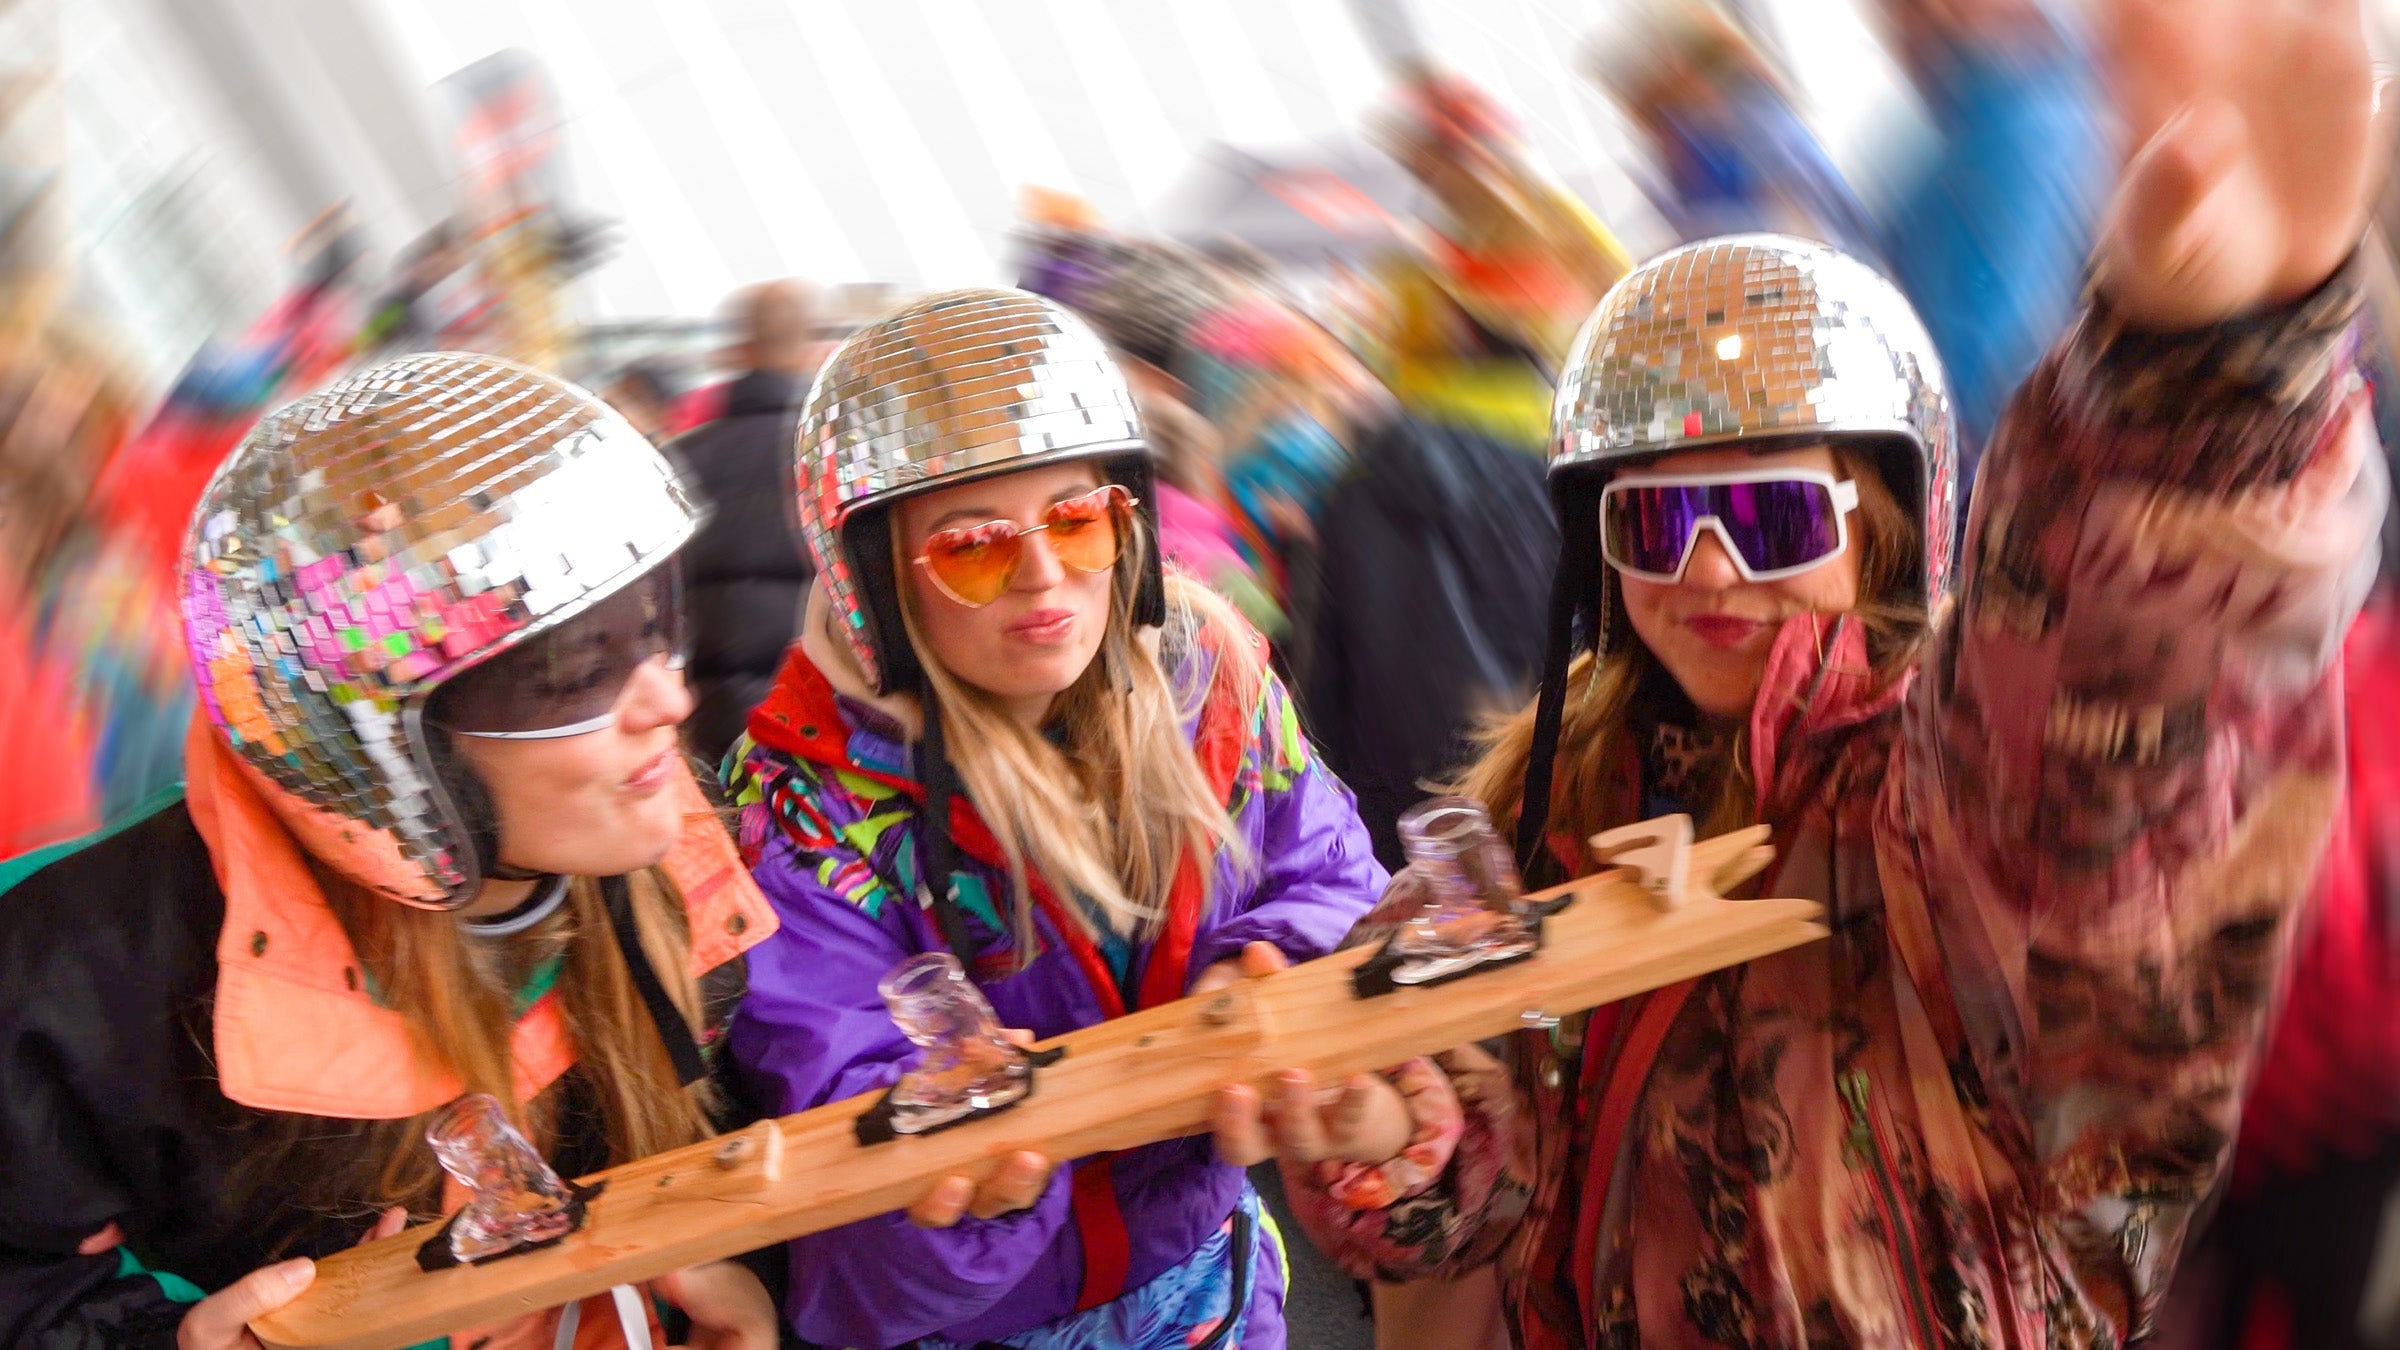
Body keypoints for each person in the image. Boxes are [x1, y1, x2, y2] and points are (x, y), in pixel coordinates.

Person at [1206, 0, 2390, 1339]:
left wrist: (2195, 382)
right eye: (1650, 524)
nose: (1707, 572)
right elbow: (1477, 1188)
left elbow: (2102, 702)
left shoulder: (1944, 798)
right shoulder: (1531, 812)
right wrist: (1381, 1128)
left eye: (1770, 519)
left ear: (1882, 526)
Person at [0, 353, 783, 1349]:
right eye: (578, 671)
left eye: (658, 631)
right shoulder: (88, 974)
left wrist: (759, 1302)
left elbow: (737, 1155)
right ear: (393, 748)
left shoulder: (674, 872)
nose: (671, 700)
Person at [723, 288, 1385, 1349]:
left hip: (1209, 1287)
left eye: (1078, 523)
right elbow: (838, 1102)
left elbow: (1328, 872)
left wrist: (1265, 965)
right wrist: (966, 1176)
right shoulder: (805, 802)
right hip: (970, 1323)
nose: (1043, 576)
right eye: (975, 547)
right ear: (874, 583)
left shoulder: (1205, 670)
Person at [676, 279, 819, 768]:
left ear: (741, 348)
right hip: (815, 716)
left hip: (712, 725)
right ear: (806, 348)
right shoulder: (830, 455)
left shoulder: (684, 458)